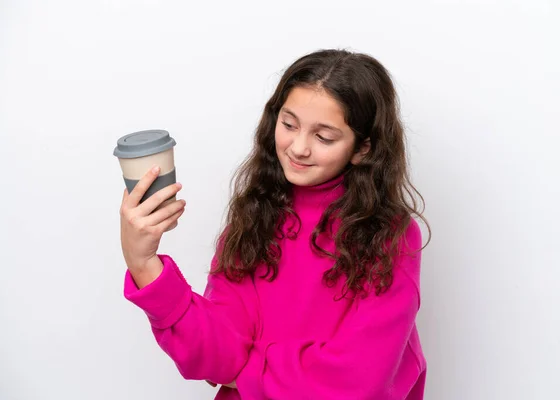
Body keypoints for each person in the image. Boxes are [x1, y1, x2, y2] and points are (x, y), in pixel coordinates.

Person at [119, 48, 431, 400]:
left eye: (324, 137)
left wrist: (248, 371)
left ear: (363, 149)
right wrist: (144, 264)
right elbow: (216, 357)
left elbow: (356, 381)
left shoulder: (391, 236)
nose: (298, 148)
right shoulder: (257, 216)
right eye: (289, 124)